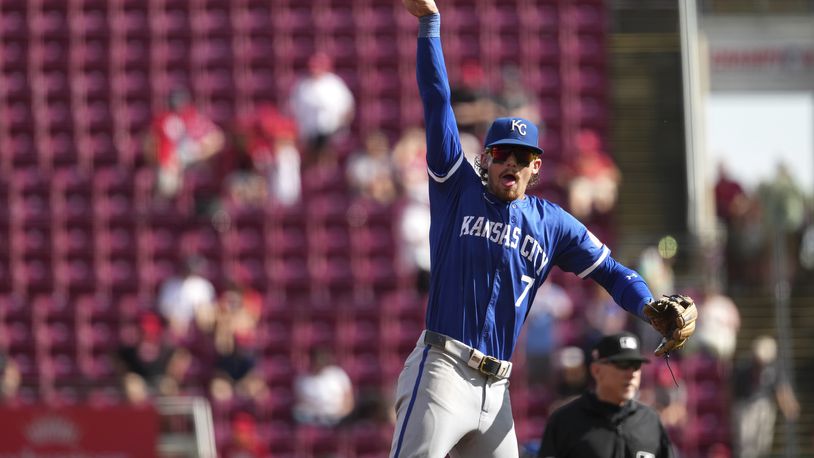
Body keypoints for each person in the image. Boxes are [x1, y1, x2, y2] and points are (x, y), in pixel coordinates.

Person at [391, 2, 696, 457]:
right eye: (500, 154)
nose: (509, 162)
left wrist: (648, 304)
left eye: (520, 156)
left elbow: (611, 271)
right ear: (485, 157)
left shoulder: (551, 222)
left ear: (536, 166)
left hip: (497, 390)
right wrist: (430, 25)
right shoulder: (457, 188)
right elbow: (437, 99)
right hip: (444, 369)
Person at [538, 332, 676, 458]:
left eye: (636, 365)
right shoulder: (565, 421)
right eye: (622, 364)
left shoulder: (651, 421)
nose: (631, 374)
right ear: (596, 370)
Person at [732, 335, 800, 458]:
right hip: (746, 407)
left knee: (763, 444)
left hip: (765, 407)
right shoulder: (743, 367)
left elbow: (782, 390)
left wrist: (790, 407)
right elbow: (733, 393)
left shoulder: (775, 367)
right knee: (746, 445)